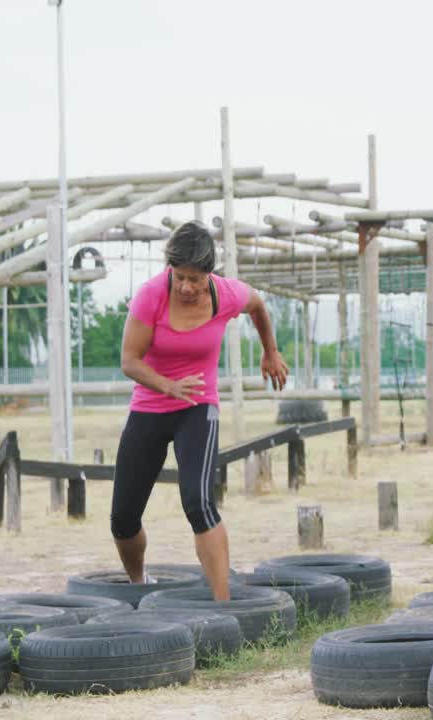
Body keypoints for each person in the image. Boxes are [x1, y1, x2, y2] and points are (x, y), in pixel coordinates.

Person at [113, 221, 288, 601]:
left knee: (199, 503)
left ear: (209, 273)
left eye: (194, 278)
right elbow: (129, 360)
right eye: (179, 277)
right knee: (123, 518)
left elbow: (257, 305)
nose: (186, 287)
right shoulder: (150, 296)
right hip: (151, 404)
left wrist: (270, 351)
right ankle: (138, 586)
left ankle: (224, 607)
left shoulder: (227, 294)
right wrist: (167, 385)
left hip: (198, 406)